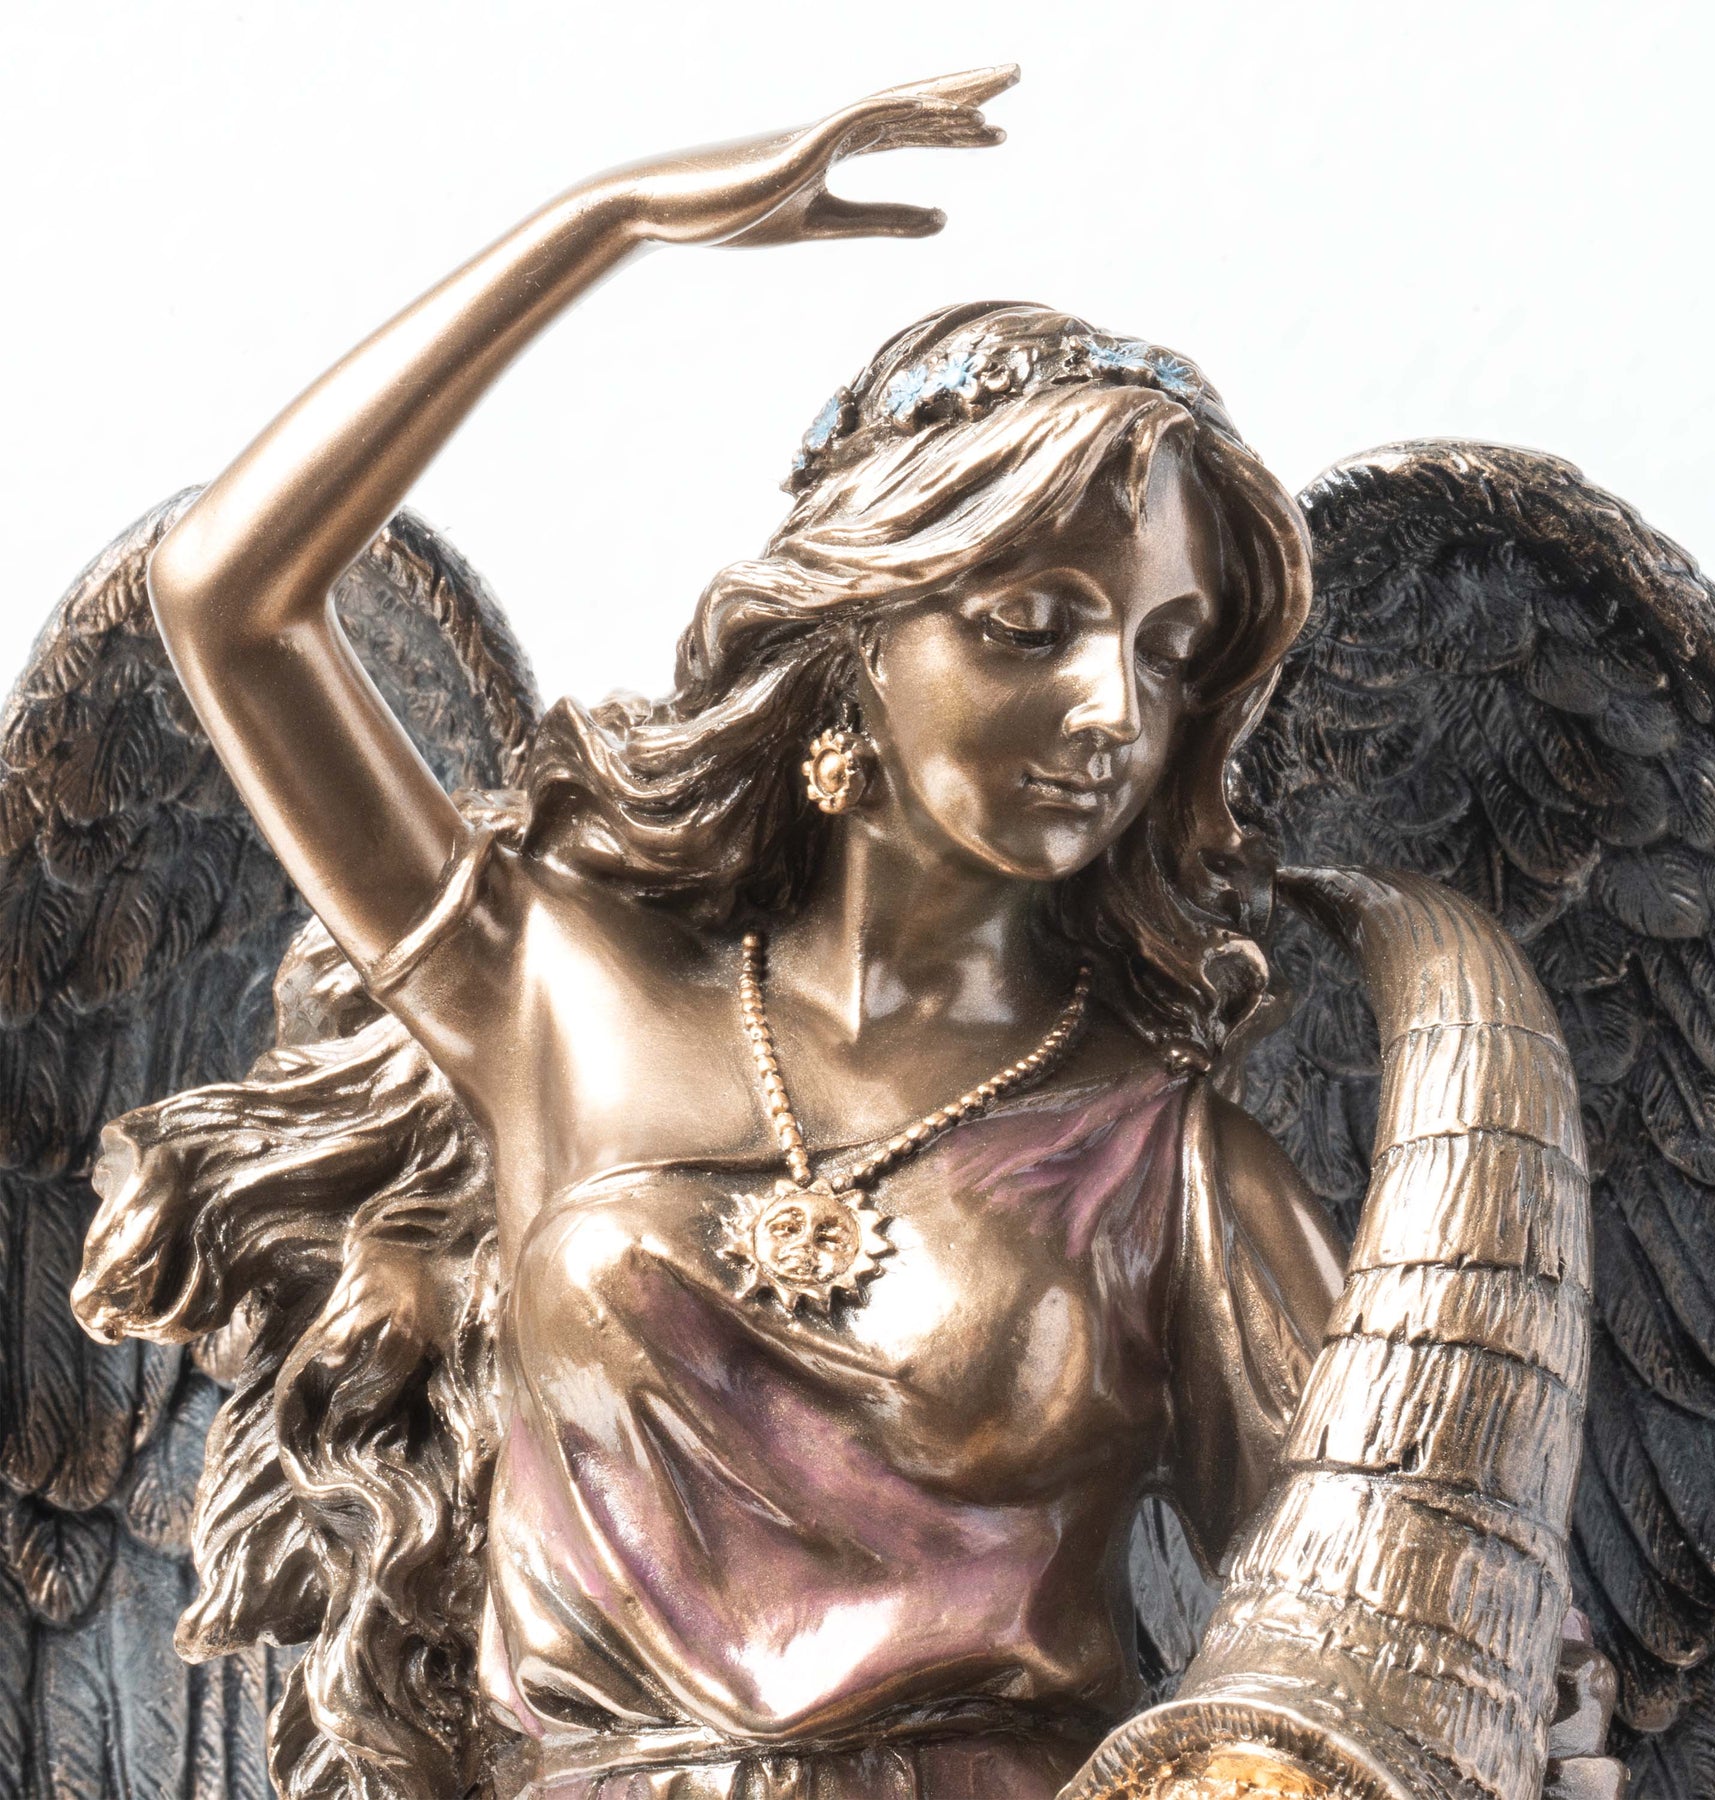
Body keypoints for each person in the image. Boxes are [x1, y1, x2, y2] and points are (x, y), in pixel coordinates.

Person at [78, 71, 1347, 1800]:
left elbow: (1371, 1612)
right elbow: (227, 597)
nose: (1112, 708)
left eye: (1167, 652)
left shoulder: (1171, 1166)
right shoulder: (562, 997)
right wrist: (602, 221)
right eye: (1031, 623)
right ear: (855, 642)